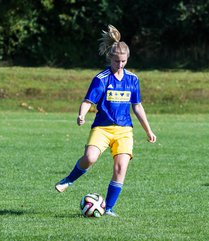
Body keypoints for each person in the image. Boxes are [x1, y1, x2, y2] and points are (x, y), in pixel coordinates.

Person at [55, 24, 157, 217]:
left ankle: (108, 208)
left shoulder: (133, 80)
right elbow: (88, 101)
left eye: (124, 61)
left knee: (120, 168)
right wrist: (82, 114)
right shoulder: (101, 79)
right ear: (110, 57)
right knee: (90, 158)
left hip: (124, 130)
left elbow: (137, 106)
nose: (120, 65)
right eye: (117, 61)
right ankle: (68, 179)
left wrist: (148, 130)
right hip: (102, 128)